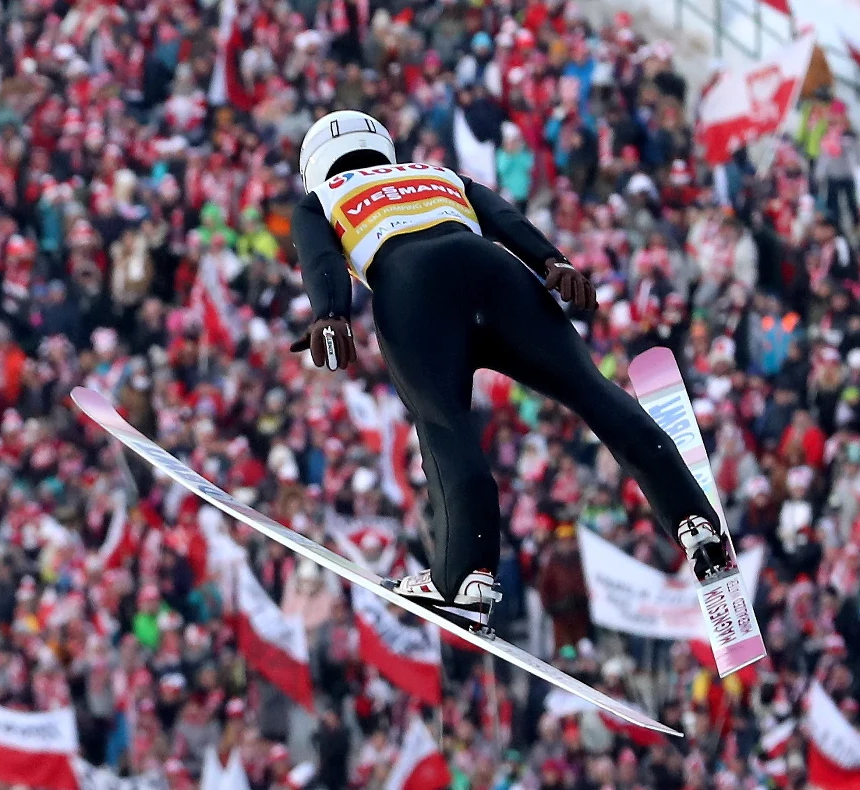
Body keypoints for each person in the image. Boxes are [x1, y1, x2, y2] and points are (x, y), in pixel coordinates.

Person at [287, 110, 725, 626]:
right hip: (494, 271)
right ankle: (694, 518)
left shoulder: (321, 198)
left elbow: (321, 259)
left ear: (315, 165)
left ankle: (466, 577)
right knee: (592, 391)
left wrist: (330, 313)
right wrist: (551, 260)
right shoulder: (435, 172)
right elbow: (503, 216)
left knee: (446, 427)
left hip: (411, 285)